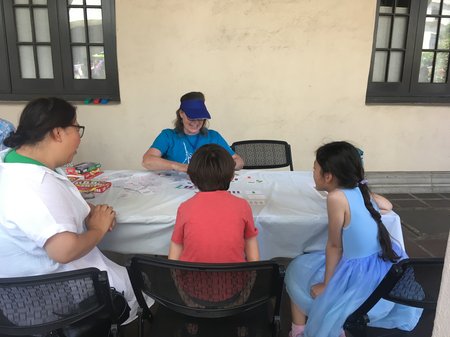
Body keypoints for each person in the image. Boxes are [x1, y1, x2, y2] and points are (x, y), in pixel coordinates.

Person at [0, 97, 153, 327]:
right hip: (54, 299)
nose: (79, 139)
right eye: (77, 129)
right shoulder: (34, 186)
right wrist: (98, 228)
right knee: (144, 282)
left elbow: (57, 204)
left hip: (21, 296)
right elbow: (64, 250)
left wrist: (88, 209)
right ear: (58, 133)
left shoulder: (14, 161)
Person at [284, 141, 422, 337]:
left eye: (314, 168)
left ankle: (300, 329)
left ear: (328, 176)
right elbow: (388, 205)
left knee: (297, 269)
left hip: (359, 278)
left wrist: (327, 285)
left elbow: (334, 246)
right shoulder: (360, 190)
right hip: (381, 270)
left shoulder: (336, 198)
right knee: (307, 264)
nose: (312, 173)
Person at [142, 92, 244, 172]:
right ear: (181, 114)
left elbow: (238, 161)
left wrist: (217, 168)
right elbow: (147, 161)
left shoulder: (213, 136)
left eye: (200, 118)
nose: (196, 123)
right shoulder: (168, 136)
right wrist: (181, 167)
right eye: (191, 118)